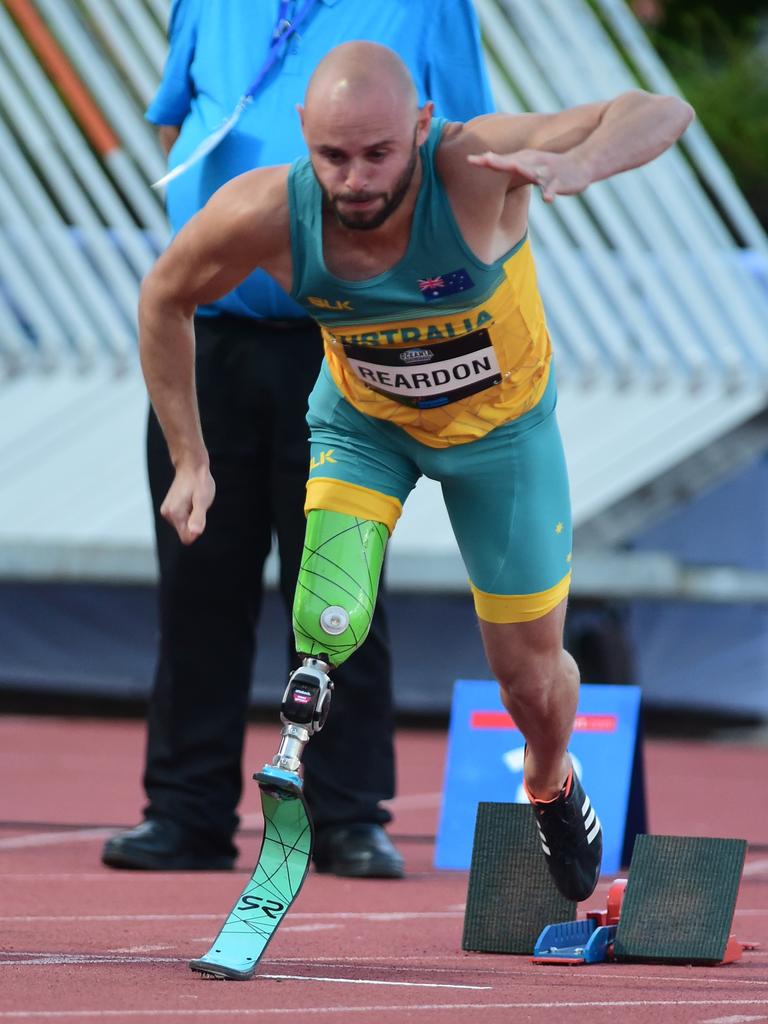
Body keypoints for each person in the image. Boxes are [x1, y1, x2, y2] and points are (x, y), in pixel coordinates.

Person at [135, 41, 693, 901]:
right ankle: (302, 747)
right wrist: (189, 456)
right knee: (327, 615)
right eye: (332, 156)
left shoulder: (473, 163)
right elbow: (164, 296)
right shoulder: (266, 211)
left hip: (502, 438)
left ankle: (551, 780)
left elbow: (661, 108)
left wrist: (577, 161)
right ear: (302, 137)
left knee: (528, 679)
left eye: (378, 154)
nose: (355, 179)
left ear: (421, 128)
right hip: (366, 428)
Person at [101, 2, 494, 877]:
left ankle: (349, 814)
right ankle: (186, 809)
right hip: (212, 329)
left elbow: (470, 141)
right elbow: (177, 116)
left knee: (340, 584)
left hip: (349, 337)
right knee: (197, 574)